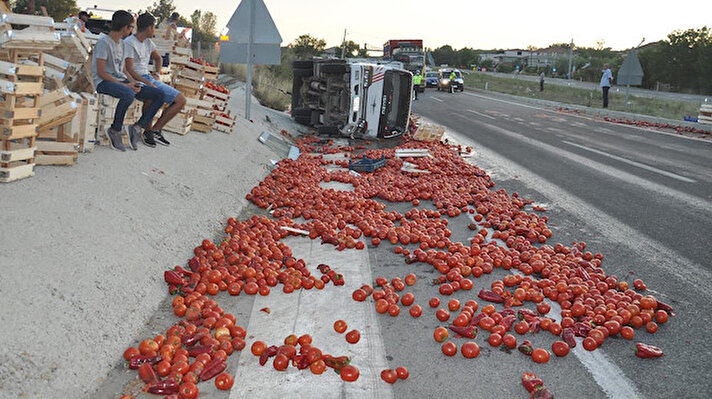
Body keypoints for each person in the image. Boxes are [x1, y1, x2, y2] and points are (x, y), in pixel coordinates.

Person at [91, 10, 166, 152]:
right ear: (125, 27)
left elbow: (124, 70)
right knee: (128, 94)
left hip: (121, 81)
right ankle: (115, 130)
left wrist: (134, 83)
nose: (132, 30)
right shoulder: (103, 43)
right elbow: (101, 72)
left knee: (159, 94)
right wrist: (125, 86)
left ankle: (137, 127)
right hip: (103, 82)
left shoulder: (123, 44)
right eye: (131, 27)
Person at [124, 13, 186, 147]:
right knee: (153, 95)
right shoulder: (129, 43)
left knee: (180, 100)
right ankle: (147, 131)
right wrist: (149, 83)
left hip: (148, 77)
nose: (154, 30)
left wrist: (157, 73)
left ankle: (155, 130)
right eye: (153, 27)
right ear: (148, 28)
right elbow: (130, 70)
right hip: (135, 78)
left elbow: (158, 58)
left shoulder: (148, 42)